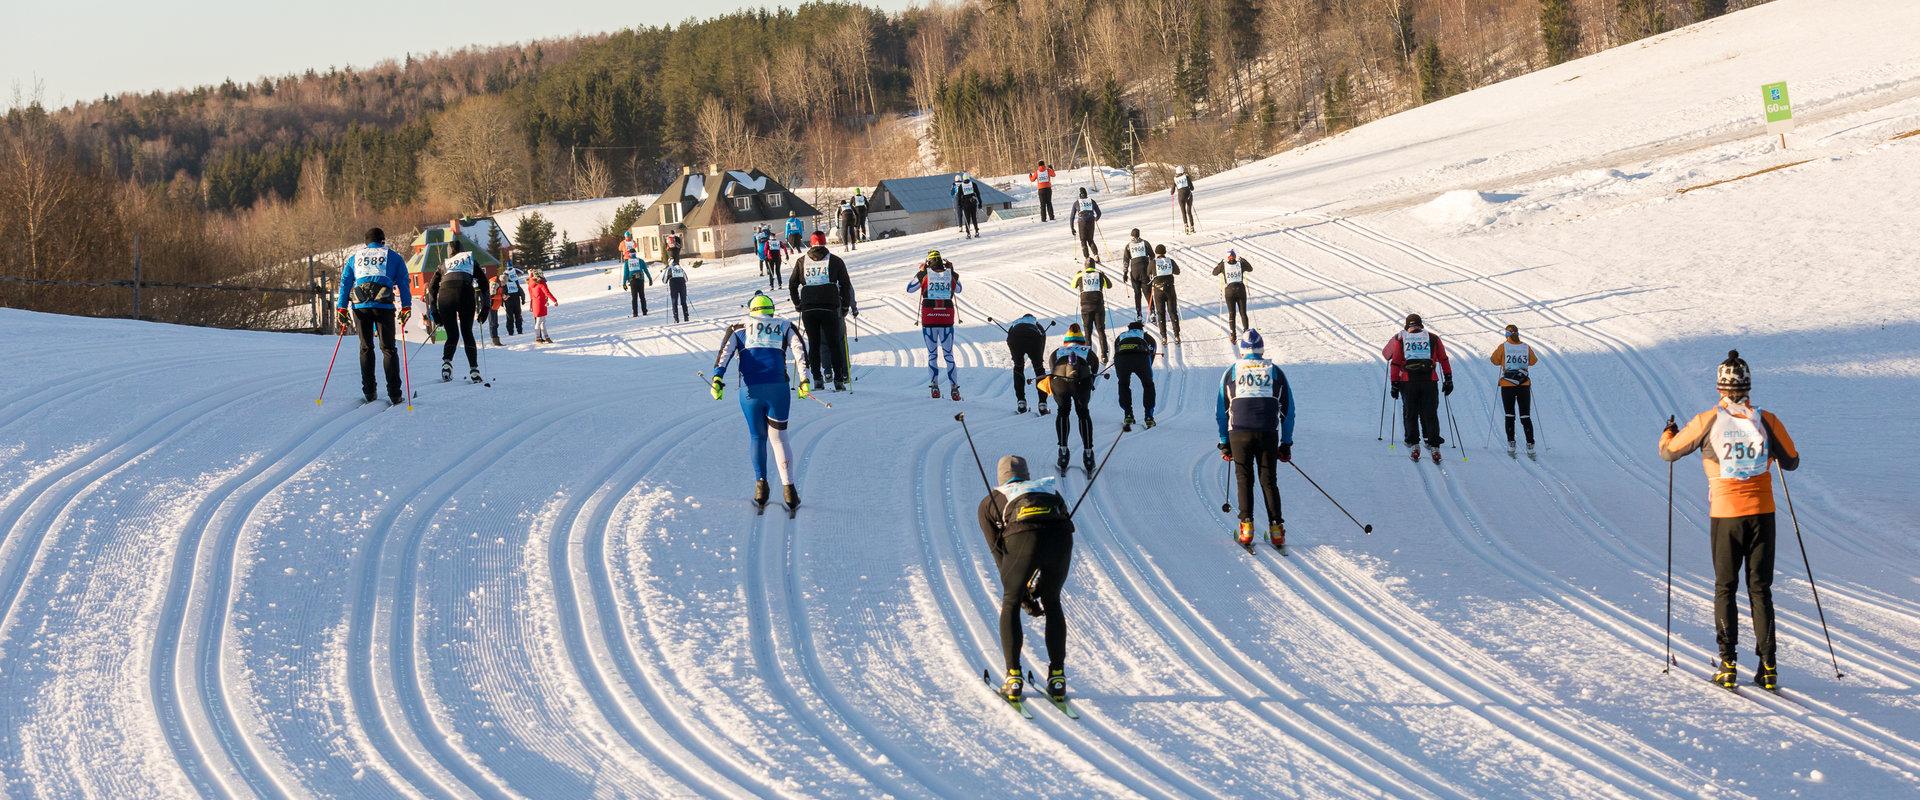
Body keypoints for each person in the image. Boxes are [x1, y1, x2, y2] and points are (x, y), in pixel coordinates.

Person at [1659, 350, 1799, 691]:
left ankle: (1728, 664)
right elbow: (1792, 461)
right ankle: (1768, 667)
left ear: (1720, 388)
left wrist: (1667, 432)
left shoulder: (1707, 420)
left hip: (1726, 515)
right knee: (1760, 589)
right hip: (1763, 513)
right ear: (1748, 385)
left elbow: (1670, 452)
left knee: (1726, 587)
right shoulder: (1767, 420)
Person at [977, 454, 1075, 704]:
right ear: (1028, 475)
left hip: (1022, 540)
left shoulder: (991, 501)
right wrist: (1039, 590)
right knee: (1053, 601)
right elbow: (1056, 530)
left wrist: (1021, 596)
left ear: (1000, 479)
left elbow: (1001, 557)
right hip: (1061, 538)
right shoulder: (1050, 491)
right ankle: (1057, 678)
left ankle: (1013, 678)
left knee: (1009, 602)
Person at [710, 292, 813, 513]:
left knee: (757, 437)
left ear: (751, 311)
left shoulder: (738, 327)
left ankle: (761, 488)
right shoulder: (785, 325)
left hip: (750, 391)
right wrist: (804, 379)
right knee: (780, 439)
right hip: (778, 389)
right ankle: (789, 491)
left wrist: (717, 378)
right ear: (771, 310)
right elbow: (800, 351)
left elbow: (724, 355)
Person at [1216, 329, 1294, 548]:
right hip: (1268, 431)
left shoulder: (1231, 371)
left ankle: (1246, 528)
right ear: (1262, 349)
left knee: (1244, 478)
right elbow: (1289, 410)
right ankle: (1277, 530)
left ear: (1242, 350)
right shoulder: (1275, 371)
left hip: (1239, 431)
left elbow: (1221, 410)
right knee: (1269, 480)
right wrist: (1286, 443)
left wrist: (1225, 443)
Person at [334, 227, 412, 405]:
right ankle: (394, 394)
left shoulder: (355, 257)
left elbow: (345, 282)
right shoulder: (393, 256)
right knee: (388, 349)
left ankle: (369, 392)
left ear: (366, 242)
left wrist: (341, 308)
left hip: (360, 306)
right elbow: (403, 282)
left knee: (366, 348)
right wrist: (406, 306)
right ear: (383, 240)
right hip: (383, 305)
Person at [1383, 313, 1452, 463]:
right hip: (1429, 381)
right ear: (1421, 325)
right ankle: (1434, 445)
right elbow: (1443, 359)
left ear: (1407, 326)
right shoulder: (1433, 338)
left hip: (1408, 381)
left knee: (1410, 413)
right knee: (1430, 413)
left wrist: (1394, 383)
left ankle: (1413, 443)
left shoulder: (1402, 338)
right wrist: (1448, 379)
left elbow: (1394, 362)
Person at [789, 237, 856, 391]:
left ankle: (818, 379)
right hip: (830, 307)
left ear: (811, 244)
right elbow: (845, 284)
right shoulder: (835, 260)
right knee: (834, 344)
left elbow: (792, 284)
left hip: (809, 308)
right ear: (825, 243)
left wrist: (798, 303)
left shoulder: (802, 261)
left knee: (814, 344)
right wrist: (845, 306)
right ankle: (839, 380)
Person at [429, 239, 491, 383]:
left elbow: (432, 287)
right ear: (462, 250)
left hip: (445, 297)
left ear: (449, 253)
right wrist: (485, 307)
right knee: (467, 333)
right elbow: (484, 283)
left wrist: (434, 311)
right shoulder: (470, 260)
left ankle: (446, 364)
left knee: (452, 335)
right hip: (465, 294)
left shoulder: (443, 264)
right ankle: (474, 370)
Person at [906, 250, 962, 399]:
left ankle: (935, 387)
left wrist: (920, 272)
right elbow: (959, 289)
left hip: (929, 319)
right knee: (949, 355)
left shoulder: (924, 275)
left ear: (928, 262)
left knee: (932, 355)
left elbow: (910, 289)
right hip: (946, 318)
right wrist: (952, 270)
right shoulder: (949, 274)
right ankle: (954, 388)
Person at [1046, 324, 1100, 473]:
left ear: (1065, 342)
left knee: (1063, 412)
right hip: (1082, 380)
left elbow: (1052, 370)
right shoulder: (1088, 352)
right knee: (1083, 413)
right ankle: (1088, 455)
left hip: (1059, 379)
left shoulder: (1057, 352)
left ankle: (1063, 451)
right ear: (1082, 342)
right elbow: (1093, 373)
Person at [1490, 324, 1540, 457]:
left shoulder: (1504, 346)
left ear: (1507, 334)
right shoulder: (1525, 347)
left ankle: (1511, 443)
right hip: (1524, 384)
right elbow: (1533, 361)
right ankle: (1530, 444)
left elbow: (1494, 360)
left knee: (1509, 415)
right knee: (1525, 415)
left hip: (1507, 385)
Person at [1112, 320, 1157, 429]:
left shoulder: (1121, 336)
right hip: (1141, 358)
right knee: (1148, 385)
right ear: (1141, 329)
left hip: (1122, 359)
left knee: (1123, 384)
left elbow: (1116, 351)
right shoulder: (1147, 337)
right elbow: (1151, 356)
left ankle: (1128, 414)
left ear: (1129, 329)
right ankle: (1149, 416)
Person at [1005, 313, 1049, 416]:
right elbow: (1042, 343)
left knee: (1018, 367)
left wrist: (1017, 358)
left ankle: (1021, 402)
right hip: (1034, 338)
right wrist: (1037, 360)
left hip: (1015, 338)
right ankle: (1043, 404)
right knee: (1039, 369)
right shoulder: (1037, 325)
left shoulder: (1014, 324)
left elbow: (1009, 339)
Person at [1069, 258, 1112, 360]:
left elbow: (1072, 285)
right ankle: (1104, 355)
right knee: (1101, 330)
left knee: (1088, 332)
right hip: (1098, 307)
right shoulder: (1099, 275)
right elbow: (1109, 286)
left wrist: (1077, 274)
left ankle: (1088, 355)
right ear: (1094, 266)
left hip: (1086, 308)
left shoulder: (1080, 275)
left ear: (1085, 266)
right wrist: (1103, 275)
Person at [1212, 249, 1254, 343]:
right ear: (1235, 256)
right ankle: (1246, 332)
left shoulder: (1223, 265)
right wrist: (1243, 260)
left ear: (1227, 257)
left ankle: (1233, 335)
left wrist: (1220, 263)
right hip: (1240, 289)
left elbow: (1214, 273)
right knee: (1243, 313)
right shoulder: (1240, 264)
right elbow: (1250, 269)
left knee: (1232, 313)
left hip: (1229, 291)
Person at [1149, 245, 1182, 344]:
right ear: (1165, 252)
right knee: (1173, 312)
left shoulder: (1153, 262)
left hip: (1158, 290)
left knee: (1161, 313)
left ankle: (1164, 337)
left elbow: (1148, 273)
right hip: (1170, 289)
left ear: (1156, 253)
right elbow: (1177, 271)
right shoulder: (1170, 261)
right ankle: (1177, 336)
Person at [1122, 229, 1155, 319]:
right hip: (1145, 270)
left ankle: (1139, 314)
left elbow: (1126, 260)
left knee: (1137, 293)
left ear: (1131, 236)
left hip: (1134, 271)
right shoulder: (1145, 243)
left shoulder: (1128, 246)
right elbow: (1152, 256)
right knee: (1147, 292)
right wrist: (1151, 268)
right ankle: (1152, 312)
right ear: (1139, 235)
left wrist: (1125, 273)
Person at [1070, 188, 1102, 261]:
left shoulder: (1077, 203)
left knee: (1083, 240)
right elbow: (1099, 213)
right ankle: (1096, 255)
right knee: (1090, 240)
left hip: (1082, 222)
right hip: (1091, 221)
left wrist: (1072, 228)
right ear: (1086, 194)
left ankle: (1087, 257)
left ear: (1079, 195)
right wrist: (1095, 219)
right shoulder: (1091, 201)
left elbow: (1072, 217)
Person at [529, 270, 559, 344]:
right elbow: (547, 293)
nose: (543, 275)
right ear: (539, 276)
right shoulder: (541, 284)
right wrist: (554, 300)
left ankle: (546, 337)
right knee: (540, 321)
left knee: (541, 321)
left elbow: (531, 295)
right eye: (541, 274)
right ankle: (538, 338)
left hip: (536, 304)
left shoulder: (531, 283)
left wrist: (530, 274)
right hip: (540, 304)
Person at [622, 250, 654, 317]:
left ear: (629, 254)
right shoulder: (640, 261)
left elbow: (625, 274)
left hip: (632, 280)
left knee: (634, 297)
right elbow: (646, 270)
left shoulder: (627, 262)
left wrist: (624, 283)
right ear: (635, 254)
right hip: (640, 279)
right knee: (642, 296)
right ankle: (644, 311)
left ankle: (635, 313)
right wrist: (650, 279)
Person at [952, 172, 982, 239]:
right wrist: (980, 203)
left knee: (967, 219)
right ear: (969, 178)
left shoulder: (961, 186)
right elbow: (978, 194)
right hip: (973, 203)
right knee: (974, 218)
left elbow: (959, 197)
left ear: (963, 179)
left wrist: (959, 205)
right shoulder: (973, 184)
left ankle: (968, 234)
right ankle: (976, 231)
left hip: (965, 205)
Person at [500, 262, 526, 337]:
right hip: (511, 299)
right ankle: (513, 331)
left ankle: (516, 331)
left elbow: (519, 288)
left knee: (514, 316)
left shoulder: (511, 277)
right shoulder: (507, 278)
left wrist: (523, 298)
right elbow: (502, 290)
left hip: (512, 299)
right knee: (512, 316)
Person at [1172, 166, 1196, 234]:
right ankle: (1192, 227)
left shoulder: (1175, 179)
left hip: (1181, 198)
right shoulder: (1186, 177)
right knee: (1189, 212)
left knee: (1183, 212)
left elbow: (1172, 191)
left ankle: (1186, 228)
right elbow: (1192, 188)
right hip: (1188, 196)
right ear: (1183, 171)